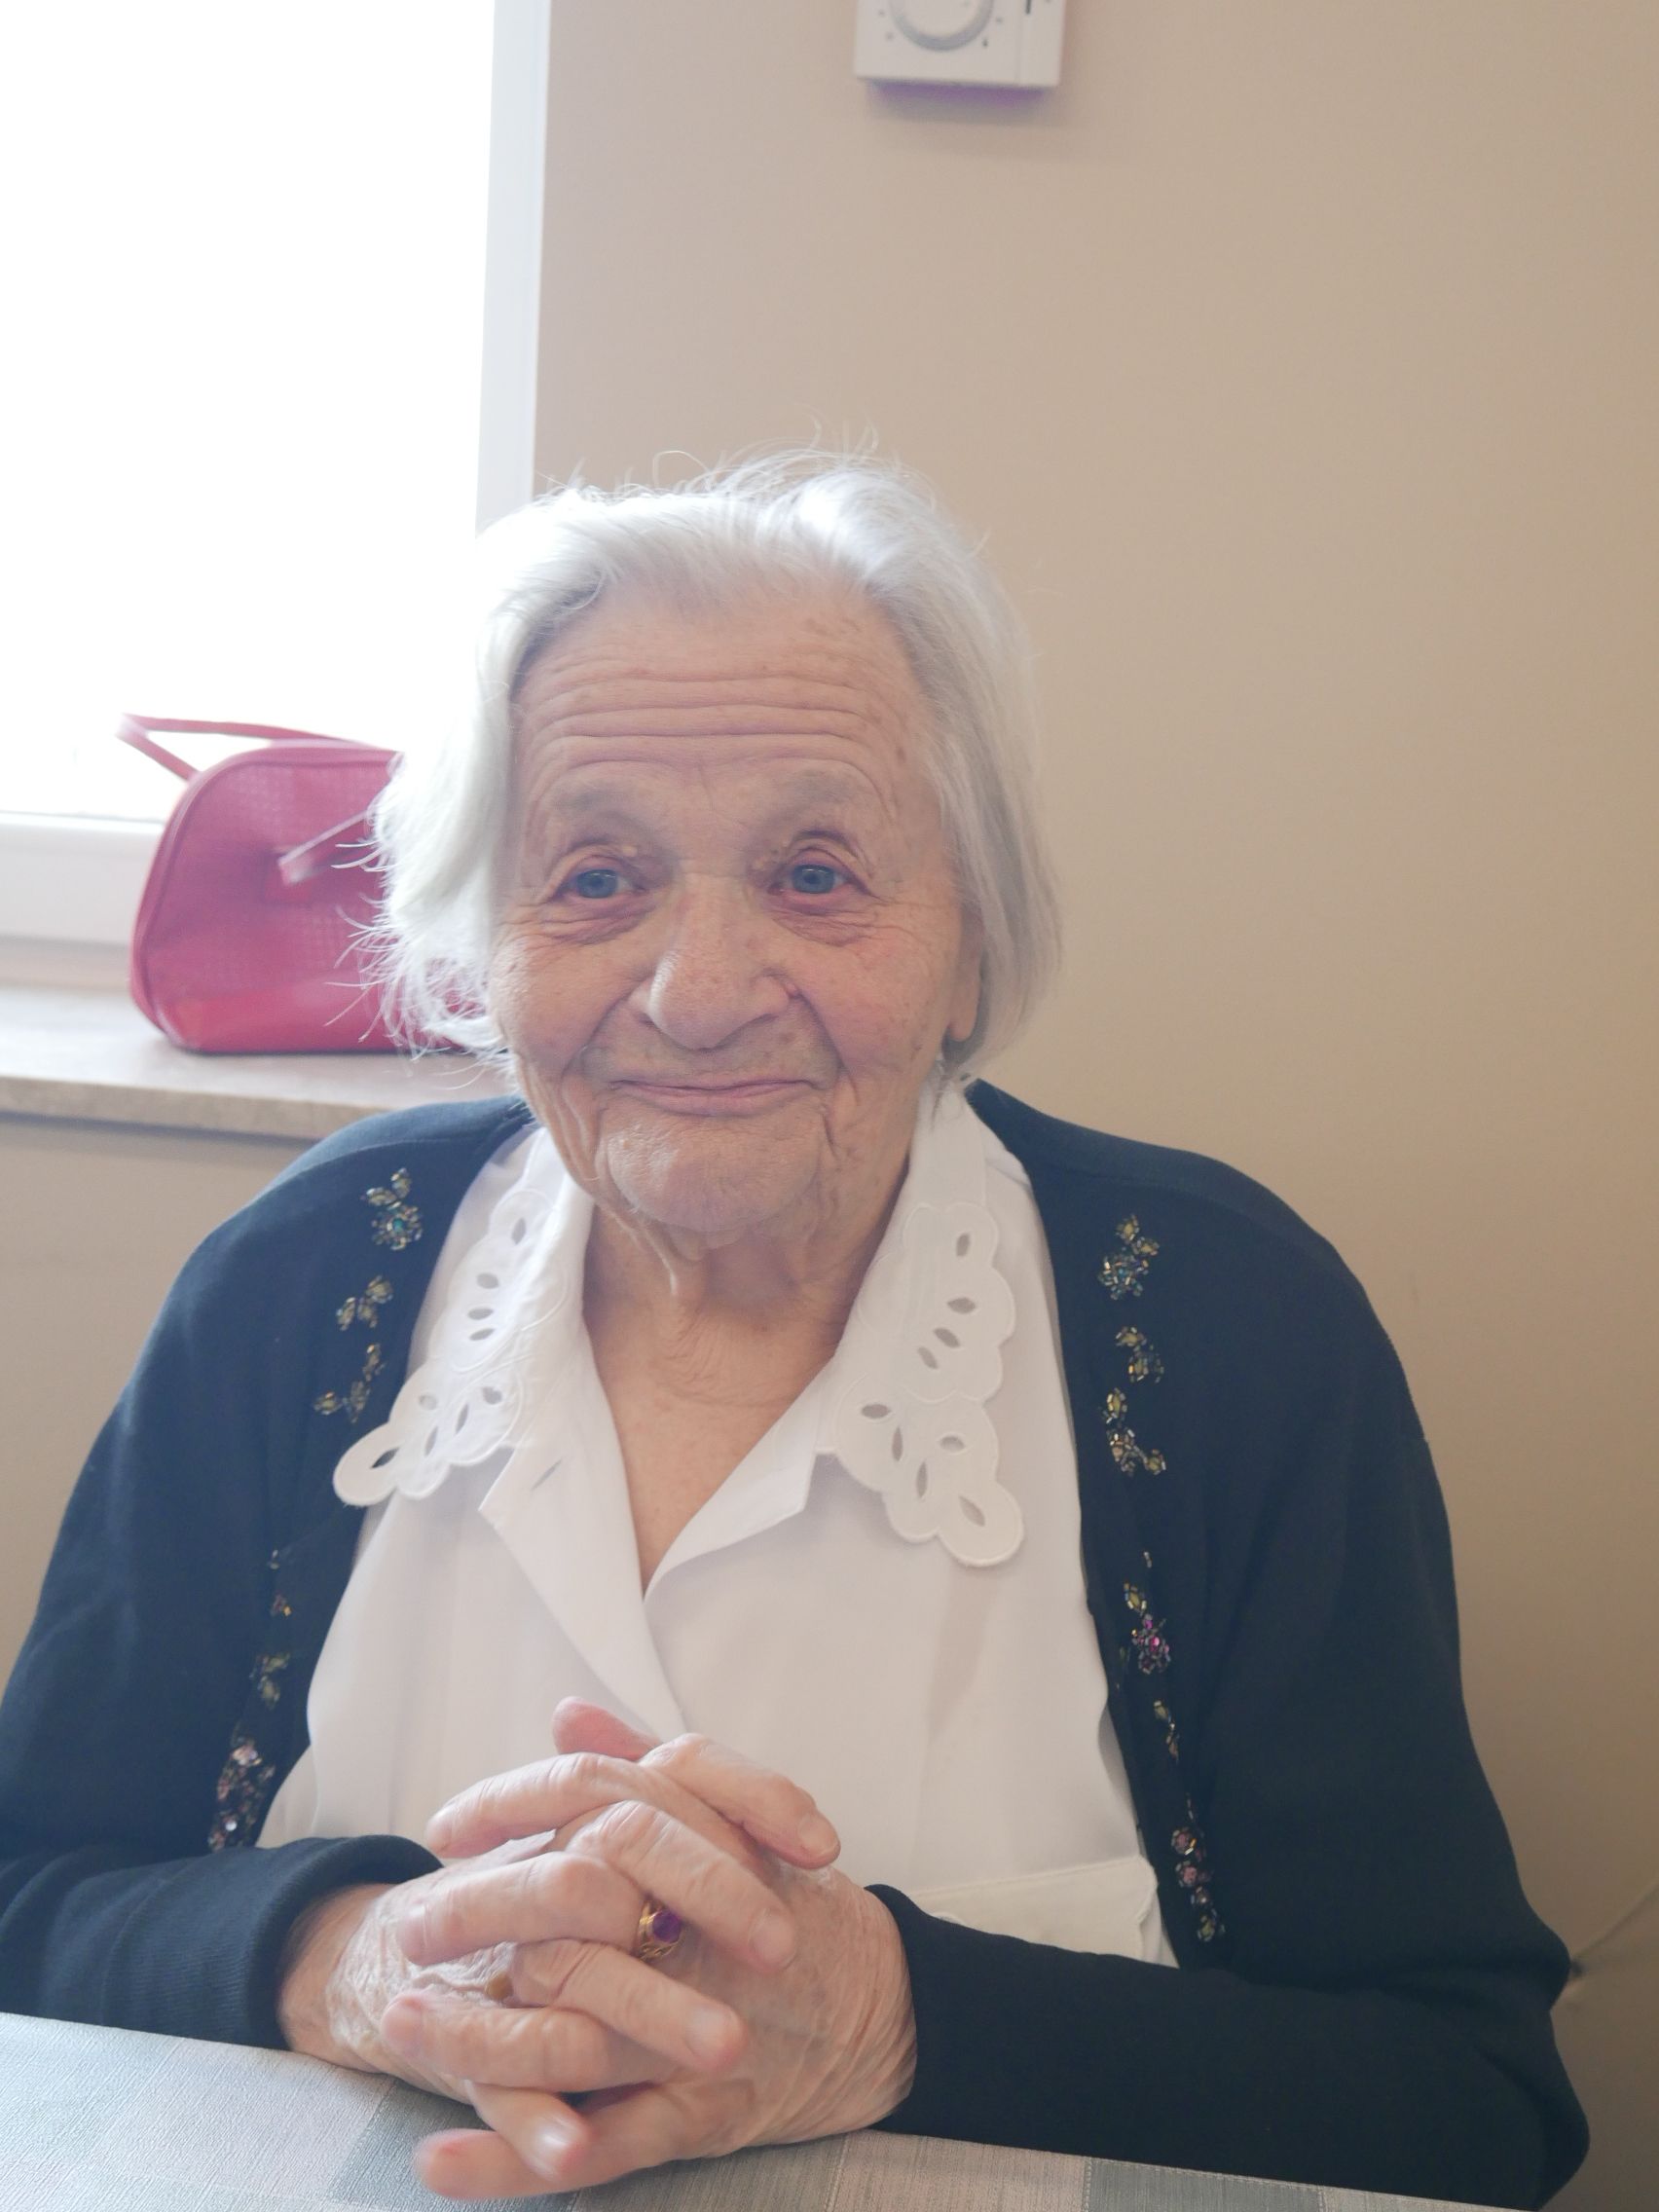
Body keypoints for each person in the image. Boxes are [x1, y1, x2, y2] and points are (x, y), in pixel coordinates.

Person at [0, 456, 1585, 2206]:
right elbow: (29, 1896)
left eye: (818, 875)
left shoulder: (1225, 1335)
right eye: (595, 877)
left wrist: (899, 2020)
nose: (697, 993)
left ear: (971, 948)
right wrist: (351, 1960)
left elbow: (1469, 2101)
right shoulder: (304, 1285)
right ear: (478, 949)